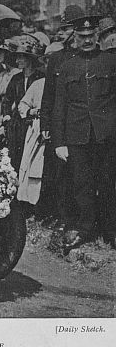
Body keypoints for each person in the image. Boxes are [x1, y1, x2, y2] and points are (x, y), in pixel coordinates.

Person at [52, 15, 116, 251]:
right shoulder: (67, 67)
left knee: (108, 182)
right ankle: (85, 228)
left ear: (97, 36)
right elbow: (60, 106)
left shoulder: (110, 62)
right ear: (75, 38)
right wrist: (59, 142)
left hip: (106, 133)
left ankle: (111, 230)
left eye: (91, 36)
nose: (87, 40)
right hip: (77, 135)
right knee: (81, 185)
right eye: (82, 36)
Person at [39, 4, 84, 231]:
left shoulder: (87, 56)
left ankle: (82, 220)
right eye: (62, 28)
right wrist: (45, 124)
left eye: (67, 28)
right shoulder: (57, 58)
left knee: (81, 174)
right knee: (59, 173)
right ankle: (63, 217)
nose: (62, 33)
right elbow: (48, 96)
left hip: (80, 122)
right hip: (59, 123)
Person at [0, 36, 45, 172]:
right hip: (17, 123)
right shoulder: (16, 78)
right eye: (17, 58)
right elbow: (7, 100)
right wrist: (6, 115)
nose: (18, 61)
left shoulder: (40, 77)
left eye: (21, 58)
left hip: (35, 121)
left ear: (29, 59)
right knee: (16, 155)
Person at [17, 76, 46, 206]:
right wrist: (32, 111)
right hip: (37, 129)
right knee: (33, 165)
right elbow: (22, 105)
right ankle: (31, 201)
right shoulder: (39, 84)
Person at [0, 38, 21, 134]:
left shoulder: (18, 74)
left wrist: (4, 116)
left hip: (14, 115)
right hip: (0, 118)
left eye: (0, 52)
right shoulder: (0, 75)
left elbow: (17, 99)